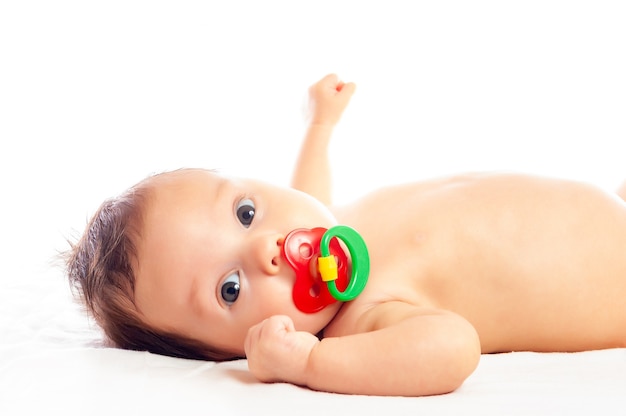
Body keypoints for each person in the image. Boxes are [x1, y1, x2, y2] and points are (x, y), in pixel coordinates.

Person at [66, 74, 626, 397]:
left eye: (243, 211)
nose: (267, 248)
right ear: (227, 351)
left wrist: (320, 126)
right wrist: (308, 364)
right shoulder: (362, 319)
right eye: (230, 289)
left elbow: (310, 193)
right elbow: (452, 349)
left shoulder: (328, 228)